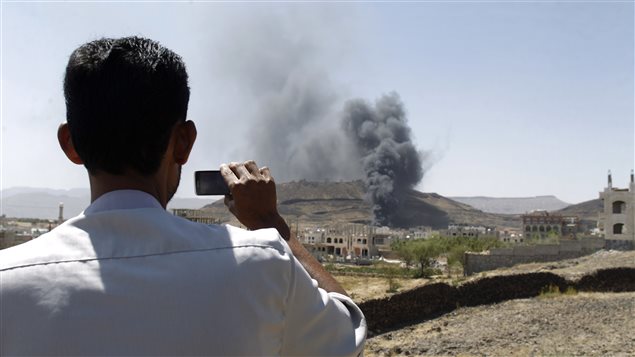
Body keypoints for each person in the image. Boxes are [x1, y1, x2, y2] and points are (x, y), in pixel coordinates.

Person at [0, 36, 366, 356]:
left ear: (70, 144)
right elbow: (348, 333)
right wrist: (270, 223)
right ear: (184, 142)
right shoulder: (262, 263)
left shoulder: (8, 281)